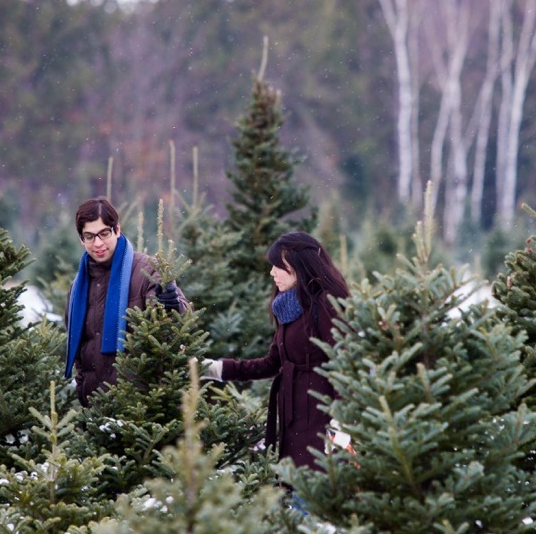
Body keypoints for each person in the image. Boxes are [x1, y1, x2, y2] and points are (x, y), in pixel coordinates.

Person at [202, 231, 350, 471]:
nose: (272, 273)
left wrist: (341, 422)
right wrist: (214, 368)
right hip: (293, 422)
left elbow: (345, 362)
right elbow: (272, 363)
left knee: (310, 498)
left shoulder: (326, 303)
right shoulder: (289, 308)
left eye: (277, 266)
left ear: (298, 266)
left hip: (321, 422)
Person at [63, 196, 186, 406]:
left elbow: (180, 320)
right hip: (95, 410)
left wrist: (173, 306)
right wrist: (83, 390)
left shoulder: (148, 271)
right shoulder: (77, 289)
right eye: (90, 236)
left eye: (104, 233)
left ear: (117, 230)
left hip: (141, 408)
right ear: (81, 240)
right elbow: (80, 354)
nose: (98, 243)